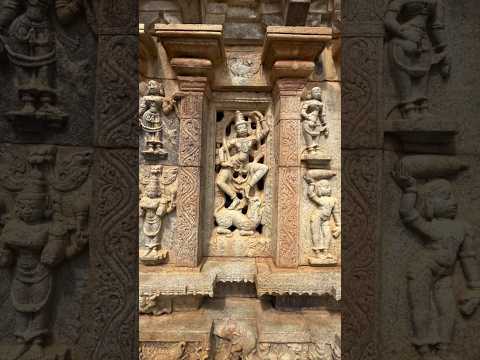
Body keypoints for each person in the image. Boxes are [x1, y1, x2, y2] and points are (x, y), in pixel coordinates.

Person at [393, 162, 480, 360]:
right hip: (423, 268)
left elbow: (468, 258)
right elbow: (407, 214)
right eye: (446, 197)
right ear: (430, 204)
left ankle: (444, 349)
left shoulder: (462, 228)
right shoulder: (433, 226)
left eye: (453, 197)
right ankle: (424, 350)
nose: (454, 202)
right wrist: (411, 190)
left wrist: (475, 284)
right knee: (421, 307)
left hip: (445, 274)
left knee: (448, 310)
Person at [216, 111, 269, 210]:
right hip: (232, 165)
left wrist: (261, 117)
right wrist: (224, 162)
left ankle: (248, 186)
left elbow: (266, 130)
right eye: (240, 128)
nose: (243, 129)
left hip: (246, 167)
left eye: (244, 127)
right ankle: (234, 198)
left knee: (264, 168)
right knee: (219, 181)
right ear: (236, 130)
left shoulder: (251, 139)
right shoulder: (234, 141)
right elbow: (221, 149)